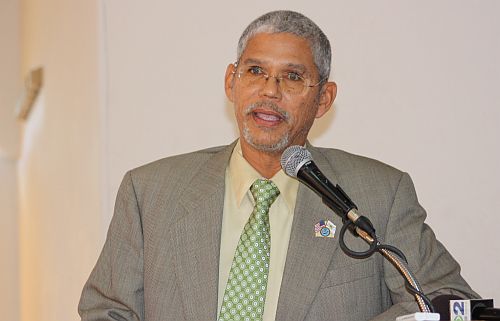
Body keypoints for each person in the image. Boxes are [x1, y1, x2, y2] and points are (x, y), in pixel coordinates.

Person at [79, 10, 478, 321]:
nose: (269, 91)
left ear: (323, 99)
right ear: (231, 82)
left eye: (292, 77)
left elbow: (451, 303)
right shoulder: (149, 193)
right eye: (255, 72)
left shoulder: (378, 194)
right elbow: (106, 312)